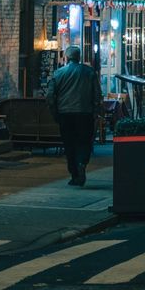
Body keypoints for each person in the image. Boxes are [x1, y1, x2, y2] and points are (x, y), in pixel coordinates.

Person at [47, 46, 101, 187]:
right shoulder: (89, 72)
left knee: (69, 144)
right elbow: (97, 94)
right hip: (85, 113)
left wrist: (55, 112)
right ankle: (82, 162)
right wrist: (96, 111)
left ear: (66, 57)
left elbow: (50, 96)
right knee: (84, 141)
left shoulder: (58, 73)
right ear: (79, 57)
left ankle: (74, 173)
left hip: (65, 114)